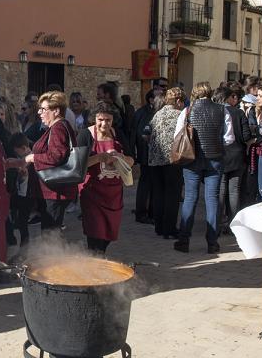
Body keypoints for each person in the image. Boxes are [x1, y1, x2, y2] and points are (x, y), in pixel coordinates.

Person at [173, 82, 235, 254]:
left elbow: (178, 135)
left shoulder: (187, 111)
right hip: (215, 159)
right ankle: (212, 242)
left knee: (190, 198)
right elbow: (229, 138)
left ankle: (184, 240)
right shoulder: (223, 110)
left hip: (192, 159)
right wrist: (217, 144)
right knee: (212, 199)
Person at [78, 103, 133, 254]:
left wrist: (121, 157)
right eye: (100, 120)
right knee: (95, 231)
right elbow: (78, 165)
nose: (104, 124)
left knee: (109, 231)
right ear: (94, 119)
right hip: (92, 193)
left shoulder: (118, 134)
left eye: (108, 120)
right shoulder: (85, 135)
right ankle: (95, 260)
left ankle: (99, 256)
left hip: (114, 193)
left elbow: (132, 160)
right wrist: (99, 157)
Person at [24, 91, 80, 234]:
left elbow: (56, 156)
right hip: (54, 191)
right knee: (51, 231)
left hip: (55, 191)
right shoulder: (59, 126)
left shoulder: (58, 128)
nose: (39, 112)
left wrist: (33, 158)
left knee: (50, 234)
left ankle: (53, 251)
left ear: (56, 111)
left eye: (43, 109)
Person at [148, 87, 185, 239]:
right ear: (178, 101)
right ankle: (169, 229)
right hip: (172, 159)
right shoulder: (180, 115)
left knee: (158, 193)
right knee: (172, 194)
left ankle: (159, 227)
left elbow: (147, 132)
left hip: (155, 160)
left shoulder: (157, 114)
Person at [215, 87, 251, 234]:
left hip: (220, 154)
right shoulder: (239, 112)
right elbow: (246, 136)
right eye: (233, 97)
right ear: (229, 97)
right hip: (237, 154)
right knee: (234, 191)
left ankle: (216, 223)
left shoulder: (215, 112)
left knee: (221, 190)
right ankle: (233, 224)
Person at [132, 89, 160, 224]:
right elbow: (141, 135)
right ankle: (142, 213)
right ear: (151, 99)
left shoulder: (149, 112)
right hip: (147, 154)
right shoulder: (145, 113)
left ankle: (149, 212)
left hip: (149, 154)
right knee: (146, 183)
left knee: (150, 183)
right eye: (159, 96)